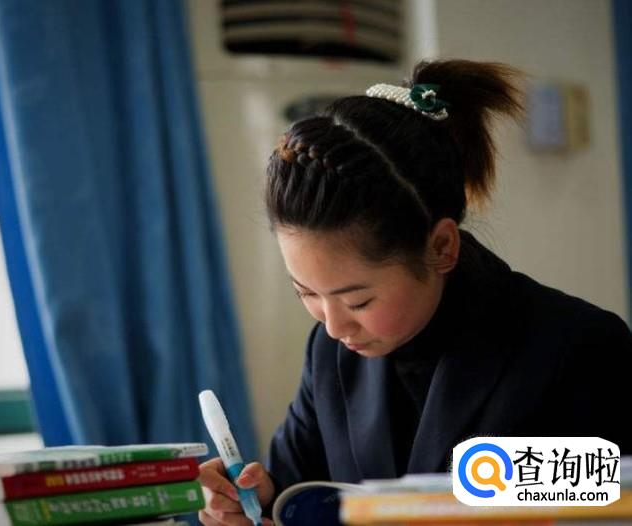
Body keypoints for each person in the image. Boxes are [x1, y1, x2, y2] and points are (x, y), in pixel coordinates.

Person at [197, 59, 632, 526]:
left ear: (442, 247)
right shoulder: (330, 354)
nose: (334, 325)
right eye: (306, 293)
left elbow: (608, 506)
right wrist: (257, 501)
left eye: (358, 301)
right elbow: (297, 489)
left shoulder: (578, 348)